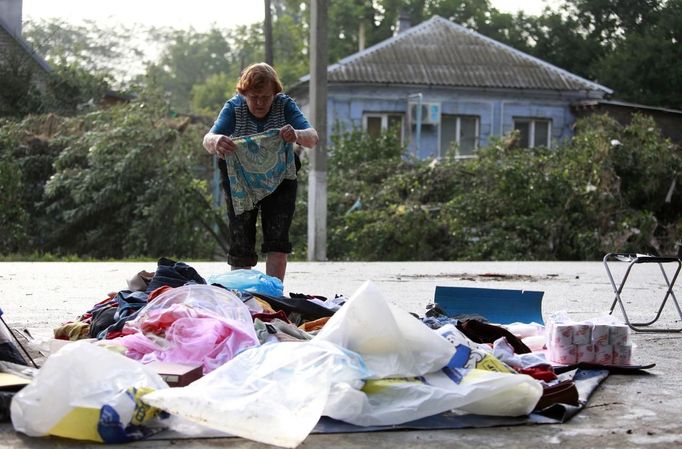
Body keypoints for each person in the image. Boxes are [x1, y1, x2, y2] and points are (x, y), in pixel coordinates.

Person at [203, 62, 318, 282]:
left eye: (265, 97)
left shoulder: (284, 105)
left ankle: (274, 297)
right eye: (253, 97)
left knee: (278, 239)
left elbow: (312, 137)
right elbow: (207, 139)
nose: (259, 103)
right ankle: (241, 297)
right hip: (240, 182)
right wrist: (217, 141)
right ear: (243, 93)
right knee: (241, 242)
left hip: (279, 180)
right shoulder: (233, 108)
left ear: (275, 93)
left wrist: (296, 135)